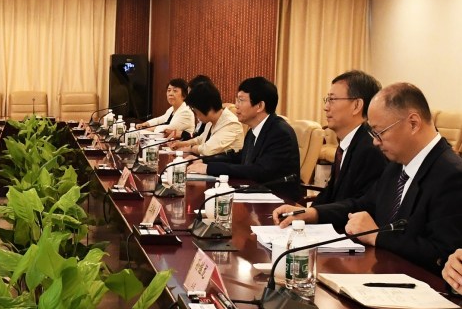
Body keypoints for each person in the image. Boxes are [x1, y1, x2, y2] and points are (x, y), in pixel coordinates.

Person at [280, 83, 462, 275]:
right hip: (378, 273)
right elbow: (363, 204)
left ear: (413, 123)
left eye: (380, 132)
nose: (375, 141)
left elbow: (443, 255)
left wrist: (378, 236)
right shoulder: (397, 165)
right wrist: (312, 214)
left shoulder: (452, 175)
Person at [272, 70, 386, 226]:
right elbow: (331, 193)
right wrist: (300, 212)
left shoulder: (371, 148)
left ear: (356, 105)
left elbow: (362, 206)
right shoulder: (348, 143)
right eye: (327, 100)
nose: (326, 107)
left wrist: (312, 214)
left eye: (332, 100)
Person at [188, 76, 301, 200]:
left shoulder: (279, 132)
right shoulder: (254, 130)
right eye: (237, 100)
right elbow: (239, 157)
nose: (236, 105)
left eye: (241, 100)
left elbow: (259, 171)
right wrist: (204, 161)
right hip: (256, 194)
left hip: (279, 201)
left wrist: (209, 168)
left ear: (260, 106)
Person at [169, 81, 243, 157]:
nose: (196, 115)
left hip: (221, 163)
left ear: (207, 107)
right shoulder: (211, 121)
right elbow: (200, 139)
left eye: (196, 111)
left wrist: (190, 148)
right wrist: (184, 143)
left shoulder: (231, 124)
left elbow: (207, 149)